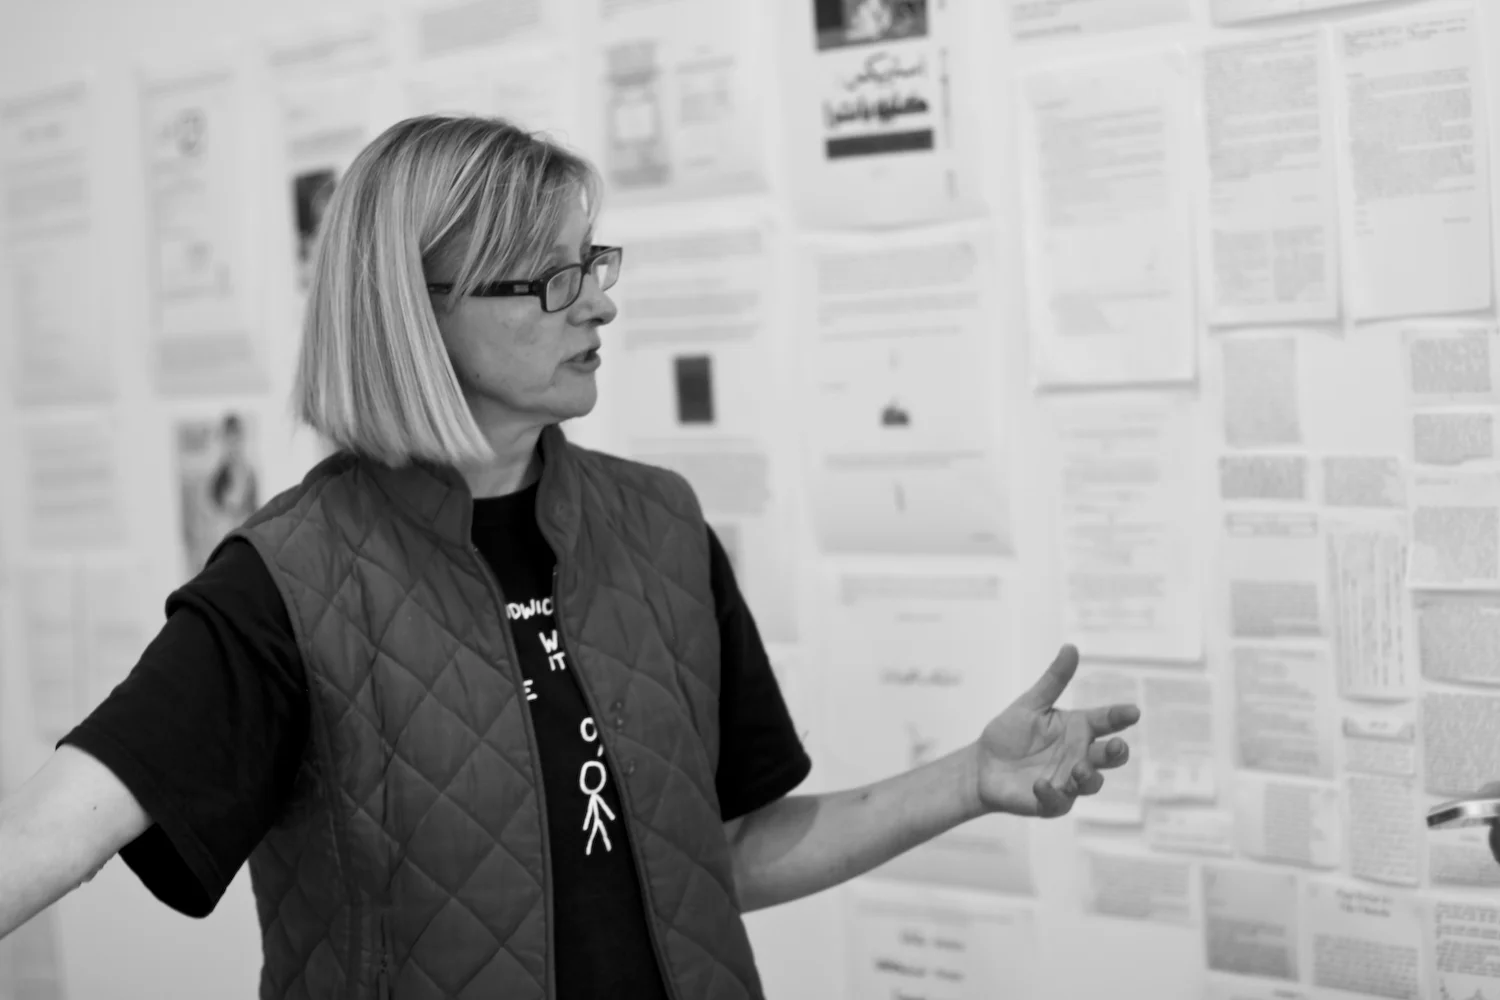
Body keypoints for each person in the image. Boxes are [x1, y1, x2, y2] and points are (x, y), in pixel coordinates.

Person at [0, 115, 1141, 1000]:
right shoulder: (290, 580)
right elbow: (47, 838)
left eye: (592, 262)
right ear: (416, 311)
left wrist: (968, 781)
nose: (598, 305)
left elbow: (727, 849)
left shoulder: (659, 525)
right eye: (551, 280)